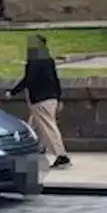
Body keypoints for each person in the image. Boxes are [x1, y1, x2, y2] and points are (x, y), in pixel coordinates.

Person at [9, 34, 70, 169]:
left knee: (48, 127)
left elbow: (28, 79)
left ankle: (61, 155)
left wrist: (12, 92)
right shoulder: (49, 60)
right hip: (51, 98)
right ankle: (35, 150)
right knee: (35, 126)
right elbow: (56, 80)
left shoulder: (34, 62)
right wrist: (58, 98)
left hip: (39, 100)